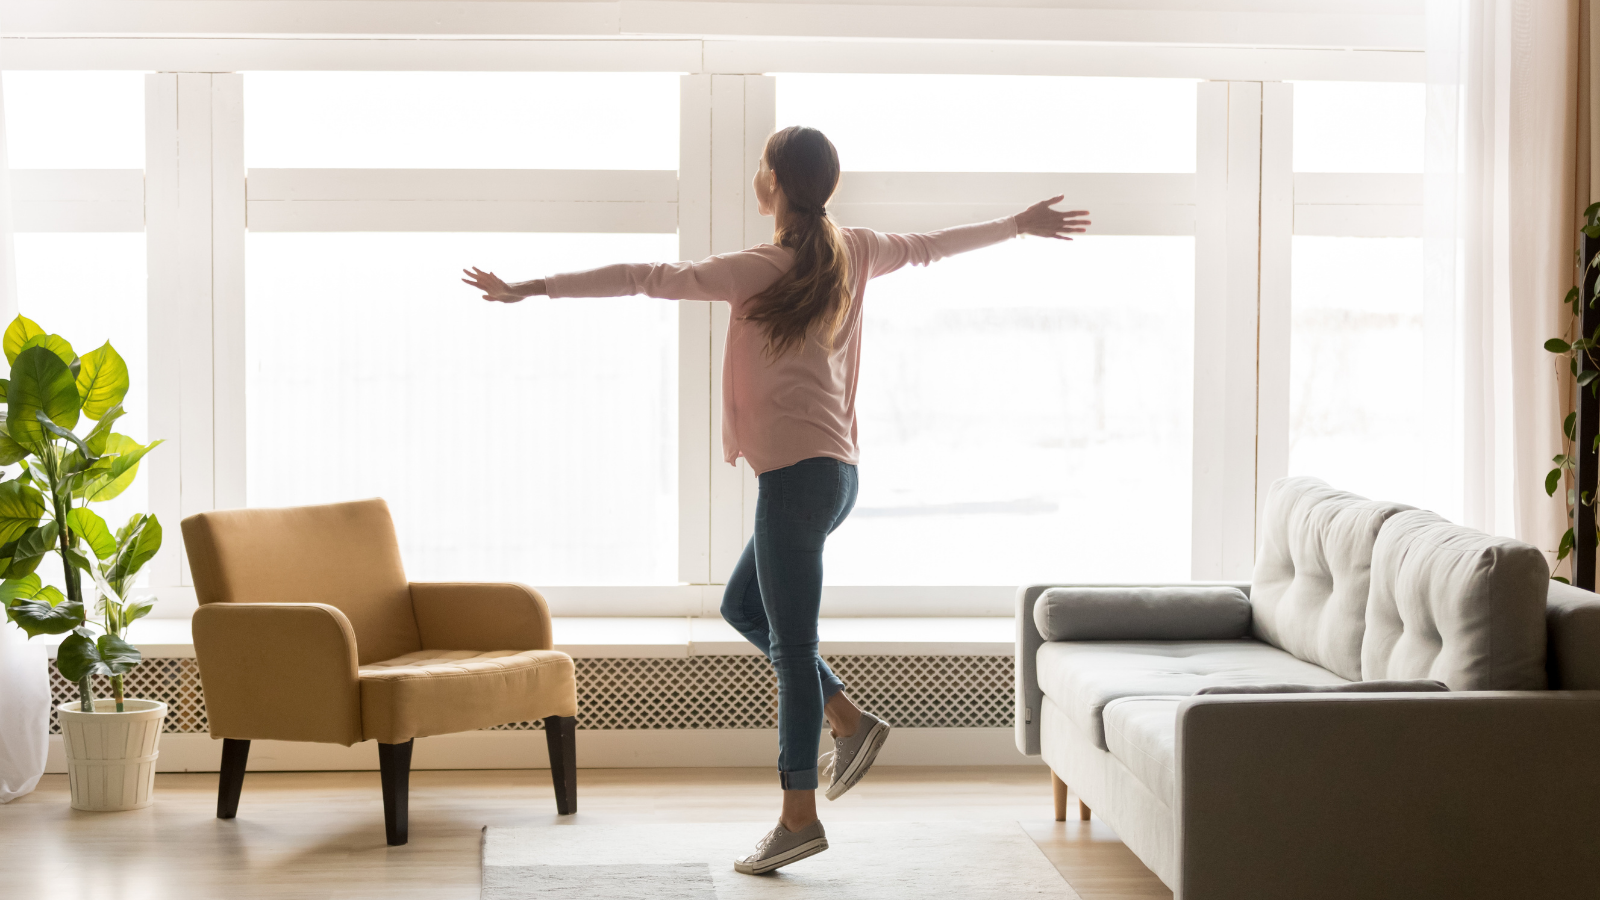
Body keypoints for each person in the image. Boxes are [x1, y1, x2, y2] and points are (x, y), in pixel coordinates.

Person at [462, 125, 1089, 875]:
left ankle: (798, 817)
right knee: (743, 608)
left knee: (792, 649)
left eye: (760, 165)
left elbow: (644, 275)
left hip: (797, 480)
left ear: (773, 183)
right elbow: (931, 245)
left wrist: (531, 288)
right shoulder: (853, 249)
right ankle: (848, 719)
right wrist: (1015, 226)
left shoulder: (764, 266)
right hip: (831, 476)